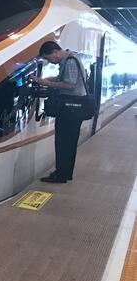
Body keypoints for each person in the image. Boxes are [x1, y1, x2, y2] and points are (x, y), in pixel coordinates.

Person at [33, 41, 87, 183]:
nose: (50, 61)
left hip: (70, 108)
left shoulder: (70, 61)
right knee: (68, 142)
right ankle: (64, 172)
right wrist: (44, 80)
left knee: (63, 142)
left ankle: (61, 175)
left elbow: (70, 84)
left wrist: (48, 83)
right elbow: (61, 79)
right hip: (72, 108)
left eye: (48, 58)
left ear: (55, 52)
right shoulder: (69, 59)